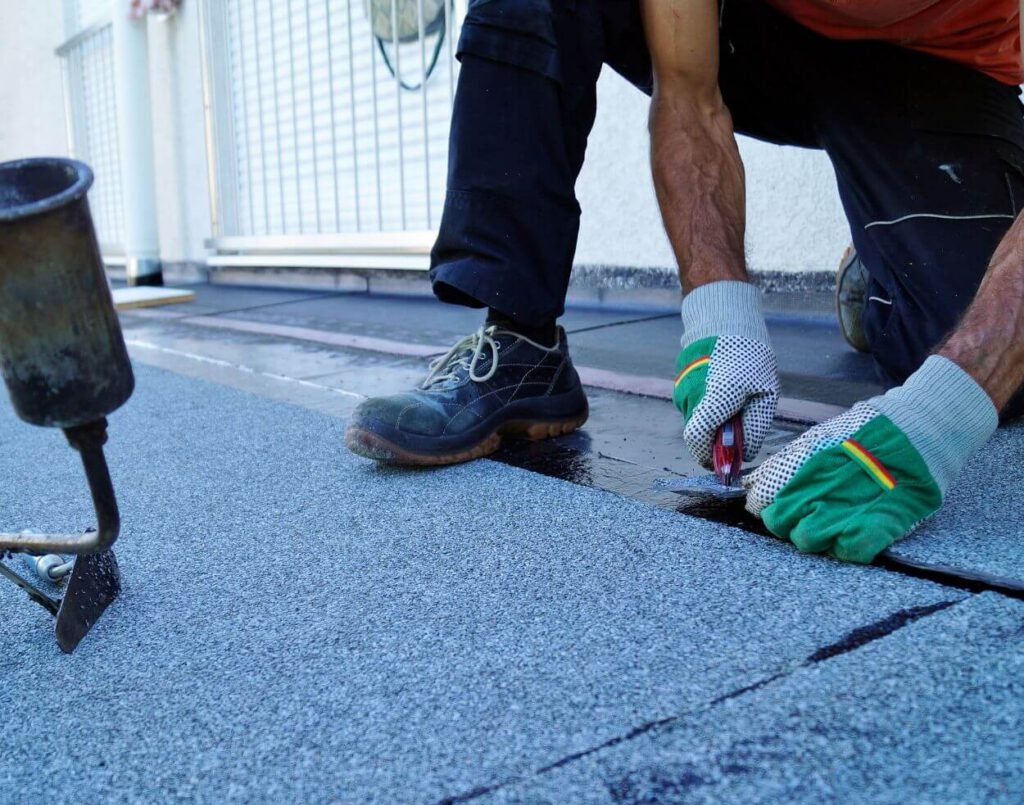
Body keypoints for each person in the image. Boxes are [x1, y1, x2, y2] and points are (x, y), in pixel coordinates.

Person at [345, 0, 1024, 564]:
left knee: (976, 353)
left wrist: (946, 408)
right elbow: (689, 93)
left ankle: (879, 274)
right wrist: (717, 312)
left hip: (936, 60)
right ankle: (520, 342)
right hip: (753, 27)